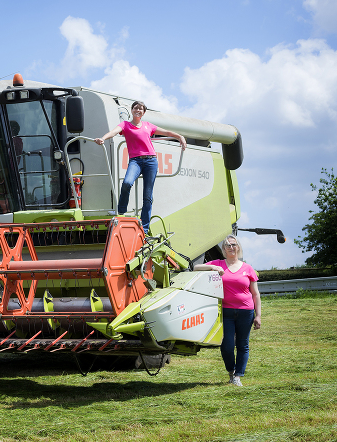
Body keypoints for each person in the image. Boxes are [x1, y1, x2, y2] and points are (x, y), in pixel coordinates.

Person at [94, 101, 186, 232]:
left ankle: (145, 228)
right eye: (135, 108)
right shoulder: (125, 125)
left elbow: (166, 132)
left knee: (148, 196)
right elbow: (114, 132)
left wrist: (180, 136)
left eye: (141, 109)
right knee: (127, 183)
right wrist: (103, 138)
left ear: (143, 113)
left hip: (151, 161)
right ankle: (121, 211)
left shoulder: (148, 126)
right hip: (135, 161)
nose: (138, 110)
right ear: (131, 110)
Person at [195, 235, 261, 386]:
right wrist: (213, 267)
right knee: (227, 346)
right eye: (228, 245)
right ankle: (231, 371)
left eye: (234, 245)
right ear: (224, 249)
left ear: (238, 247)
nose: (231, 247)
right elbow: (196, 267)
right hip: (226, 311)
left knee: (243, 344)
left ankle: (238, 376)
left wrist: (258, 316)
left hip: (246, 311)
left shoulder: (247, 268)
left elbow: (256, 294)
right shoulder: (219, 264)